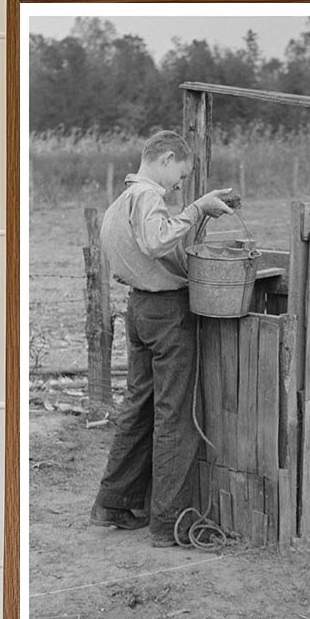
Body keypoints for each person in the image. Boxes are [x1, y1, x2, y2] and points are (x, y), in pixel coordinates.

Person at [89, 130, 236, 547]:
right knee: (174, 415)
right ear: (166, 158)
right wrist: (196, 208)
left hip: (138, 308)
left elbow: (138, 248)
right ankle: (169, 522)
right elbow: (156, 241)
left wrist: (193, 216)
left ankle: (113, 502)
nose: (178, 185)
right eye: (181, 176)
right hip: (167, 312)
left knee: (138, 408)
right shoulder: (148, 197)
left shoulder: (119, 204)